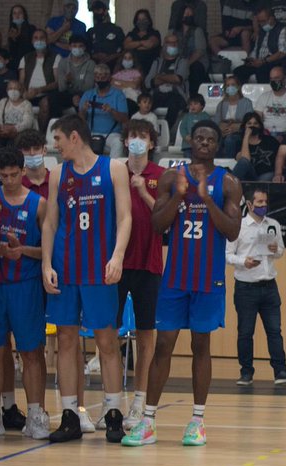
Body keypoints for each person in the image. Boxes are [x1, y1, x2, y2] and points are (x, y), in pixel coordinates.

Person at [122, 120, 241, 447]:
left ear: (217, 146)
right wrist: (180, 197)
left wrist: (206, 199)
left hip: (208, 278)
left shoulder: (228, 182)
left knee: (201, 346)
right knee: (163, 345)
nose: (204, 143)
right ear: (191, 141)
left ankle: (197, 421)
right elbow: (158, 225)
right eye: (200, 138)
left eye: (211, 139)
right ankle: (148, 421)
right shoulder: (171, 178)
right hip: (175, 277)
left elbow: (232, 231)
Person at [41, 113, 133, 443]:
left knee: (106, 341)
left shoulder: (114, 169)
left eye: (59, 140)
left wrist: (118, 255)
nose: (56, 147)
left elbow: (125, 217)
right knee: (65, 340)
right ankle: (69, 415)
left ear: (75, 137)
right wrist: (46, 264)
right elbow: (50, 223)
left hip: (99, 269)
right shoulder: (57, 175)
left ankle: (113, 414)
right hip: (65, 268)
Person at [0, 148, 50, 441]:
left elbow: (48, 251)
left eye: (14, 174)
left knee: (31, 352)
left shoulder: (39, 204)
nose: (9, 180)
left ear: (23, 171)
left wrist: (22, 251)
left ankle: (36, 415)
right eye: (3, 175)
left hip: (27, 286)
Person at [116, 119, 165, 430]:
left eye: (142, 136)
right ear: (125, 142)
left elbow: (165, 220)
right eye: (132, 135)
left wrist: (143, 192)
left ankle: (139, 401)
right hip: (118, 263)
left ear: (151, 143)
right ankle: (112, 404)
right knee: (109, 332)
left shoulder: (161, 176)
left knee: (146, 335)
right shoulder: (114, 173)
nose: (136, 141)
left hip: (149, 265)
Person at [229, 187, 286, 386]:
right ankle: (246, 373)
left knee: (274, 331)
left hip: (269, 286)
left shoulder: (273, 224)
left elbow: (280, 251)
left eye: (265, 202)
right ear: (249, 204)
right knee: (245, 332)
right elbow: (227, 254)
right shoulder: (239, 226)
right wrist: (244, 261)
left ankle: (281, 371)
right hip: (246, 287)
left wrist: (276, 250)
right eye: (259, 203)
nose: (263, 206)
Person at [79, 63, 128, 157]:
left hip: (112, 134)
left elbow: (125, 118)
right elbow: (80, 119)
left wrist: (111, 111)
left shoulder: (118, 95)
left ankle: (113, 170)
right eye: (97, 77)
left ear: (109, 78)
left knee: (118, 143)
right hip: (91, 133)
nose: (100, 79)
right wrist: (83, 110)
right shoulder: (88, 94)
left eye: (103, 77)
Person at [146, 33, 190, 131]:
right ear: (165, 45)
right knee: (146, 104)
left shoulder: (183, 61)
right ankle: (148, 130)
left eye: (175, 43)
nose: (173, 45)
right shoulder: (157, 62)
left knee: (173, 103)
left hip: (177, 95)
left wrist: (160, 77)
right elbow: (149, 82)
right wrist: (168, 78)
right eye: (170, 43)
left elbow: (178, 79)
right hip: (158, 94)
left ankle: (165, 132)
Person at [234, 7, 286, 84]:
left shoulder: (282, 29)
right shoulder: (261, 31)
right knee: (238, 71)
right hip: (259, 62)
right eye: (259, 22)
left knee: (262, 71)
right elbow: (256, 49)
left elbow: (283, 52)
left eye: (263, 21)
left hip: (274, 62)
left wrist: (263, 61)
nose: (261, 24)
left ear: (271, 18)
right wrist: (251, 59)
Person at [19, 29, 57, 128]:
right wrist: (24, 94)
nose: (38, 40)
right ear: (32, 41)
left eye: (42, 38)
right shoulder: (26, 58)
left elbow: (57, 83)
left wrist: (39, 90)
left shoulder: (55, 57)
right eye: (36, 38)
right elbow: (21, 82)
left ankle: (41, 134)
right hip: (29, 94)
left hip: (47, 94)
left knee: (45, 104)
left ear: (47, 40)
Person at [55, 34, 97, 115]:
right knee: (54, 98)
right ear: (70, 47)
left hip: (84, 95)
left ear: (84, 48)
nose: (77, 48)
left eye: (80, 46)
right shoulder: (63, 62)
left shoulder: (91, 64)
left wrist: (72, 82)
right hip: (67, 95)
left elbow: (88, 87)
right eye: (74, 46)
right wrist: (66, 81)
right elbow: (61, 88)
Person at [256, 64, 286, 138]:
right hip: (266, 134)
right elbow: (257, 119)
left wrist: (285, 136)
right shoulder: (263, 97)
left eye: (276, 78)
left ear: (284, 79)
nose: (274, 81)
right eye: (271, 79)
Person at [215, 74, 253, 157]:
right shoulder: (221, 104)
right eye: (227, 85)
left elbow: (249, 122)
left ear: (238, 87)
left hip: (240, 133)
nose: (230, 87)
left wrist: (235, 128)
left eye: (232, 85)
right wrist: (222, 129)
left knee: (230, 140)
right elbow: (217, 122)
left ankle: (229, 163)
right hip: (223, 133)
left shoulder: (247, 102)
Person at [233, 110, 278, 180]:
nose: (252, 126)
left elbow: (280, 160)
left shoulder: (270, 140)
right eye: (249, 123)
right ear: (244, 126)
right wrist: (246, 137)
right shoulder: (239, 142)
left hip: (267, 174)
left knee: (266, 177)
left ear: (260, 126)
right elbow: (244, 160)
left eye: (255, 123)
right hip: (249, 175)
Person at [0, 79, 36, 146]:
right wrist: (0, 128)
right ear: (7, 90)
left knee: (12, 142)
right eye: (10, 88)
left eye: (16, 89)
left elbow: (28, 122)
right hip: (4, 131)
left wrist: (13, 129)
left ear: (21, 91)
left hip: (19, 132)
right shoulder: (3, 102)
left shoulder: (27, 104)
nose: (13, 91)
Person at [87, 1, 125, 69]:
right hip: (96, 68)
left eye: (98, 10)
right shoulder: (91, 31)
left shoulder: (116, 30)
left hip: (114, 66)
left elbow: (124, 50)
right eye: (94, 11)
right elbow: (86, 51)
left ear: (105, 11)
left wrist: (111, 56)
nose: (96, 13)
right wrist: (96, 55)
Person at [124, 9, 162, 76]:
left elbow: (150, 44)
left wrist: (134, 46)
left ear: (149, 21)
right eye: (139, 19)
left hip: (150, 66)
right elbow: (126, 45)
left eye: (144, 19)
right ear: (136, 21)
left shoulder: (154, 33)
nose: (142, 22)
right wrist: (142, 43)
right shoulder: (132, 33)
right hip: (134, 67)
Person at [7, 5, 37, 69]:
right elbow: (12, 52)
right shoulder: (11, 30)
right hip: (16, 61)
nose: (17, 15)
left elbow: (30, 48)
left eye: (20, 13)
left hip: (29, 59)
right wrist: (13, 39)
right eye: (14, 13)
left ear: (24, 15)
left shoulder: (31, 28)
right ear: (12, 16)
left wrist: (17, 38)